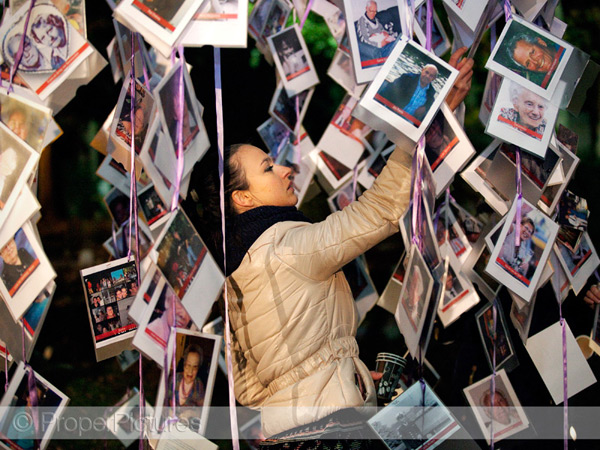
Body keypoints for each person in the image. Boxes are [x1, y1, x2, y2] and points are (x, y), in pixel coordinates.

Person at [191, 138, 415, 445]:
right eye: (268, 168)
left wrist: (344, 374)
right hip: (330, 430)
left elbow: (250, 391)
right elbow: (383, 210)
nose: (285, 170)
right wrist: (412, 141)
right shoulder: (287, 247)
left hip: (284, 437)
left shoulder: (232, 275)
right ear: (242, 197)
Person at [167, 345, 205, 426]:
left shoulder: (199, 386)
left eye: (195, 367)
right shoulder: (175, 378)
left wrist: (191, 413)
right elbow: (166, 400)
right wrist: (169, 411)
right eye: (188, 365)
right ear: (184, 364)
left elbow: (203, 412)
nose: (190, 372)